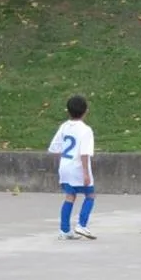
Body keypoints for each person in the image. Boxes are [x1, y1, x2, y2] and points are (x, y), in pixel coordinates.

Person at [48, 95, 97, 240]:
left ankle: (64, 230)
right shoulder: (85, 130)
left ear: (68, 111)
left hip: (65, 166)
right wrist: (86, 173)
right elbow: (84, 153)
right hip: (78, 168)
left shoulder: (64, 127)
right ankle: (82, 224)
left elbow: (54, 147)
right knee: (90, 195)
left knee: (70, 196)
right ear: (85, 111)